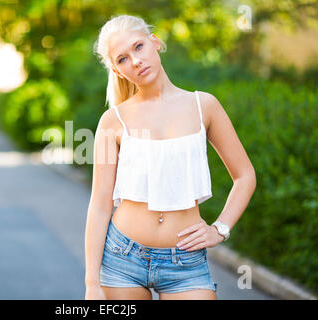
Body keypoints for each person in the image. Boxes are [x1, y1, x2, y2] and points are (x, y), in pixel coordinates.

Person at [85, 14, 256, 300]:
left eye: (138, 47)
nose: (135, 61)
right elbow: (100, 204)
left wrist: (220, 229)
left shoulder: (204, 106)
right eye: (123, 59)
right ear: (117, 71)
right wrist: (91, 284)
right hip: (122, 258)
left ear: (156, 43)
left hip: (186, 262)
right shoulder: (112, 121)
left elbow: (245, 176)